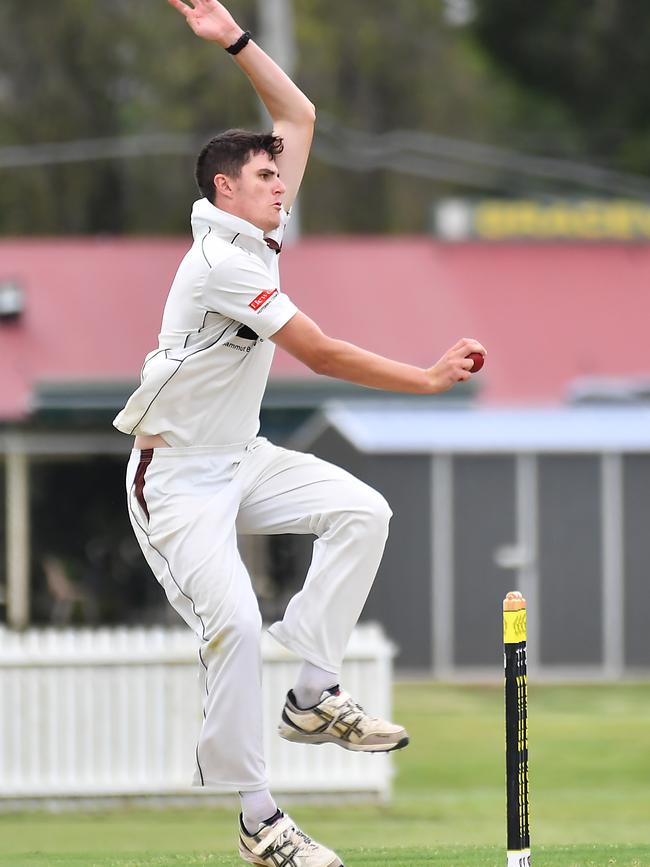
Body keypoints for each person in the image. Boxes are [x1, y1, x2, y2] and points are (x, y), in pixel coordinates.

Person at [113, 1, 486, 864]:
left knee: (364, 512)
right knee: (237, 627)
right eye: (264, 176)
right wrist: (425, 378)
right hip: (172, 480)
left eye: (280, 176)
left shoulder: (259, 232)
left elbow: (299, 116)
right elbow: (318, 353)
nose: (282, 183)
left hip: (241, 458)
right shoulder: (222, 264)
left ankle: (313, 693)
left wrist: (235, 39)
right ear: (224, 190)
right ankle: (258, 819)